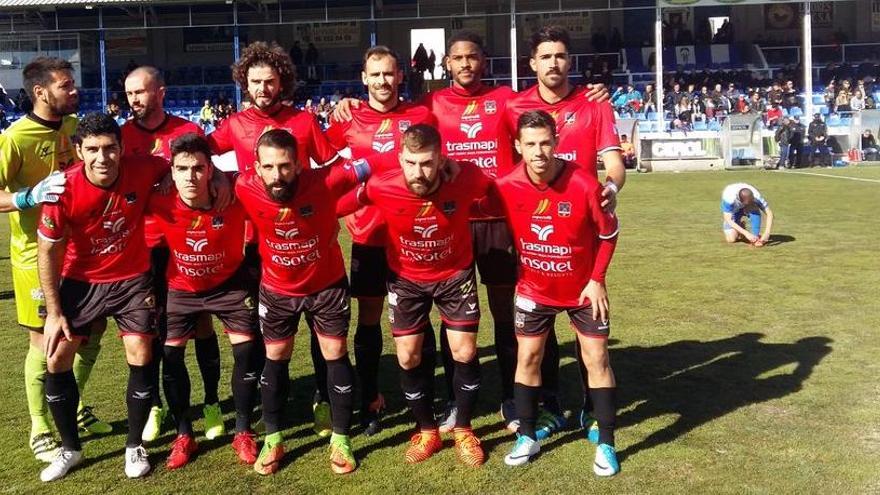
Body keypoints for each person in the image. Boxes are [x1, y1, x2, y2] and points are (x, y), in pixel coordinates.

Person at [331, 29, 610, 434]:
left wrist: (588, 94)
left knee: (508, 314)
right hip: (449, 222)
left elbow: (544, 107)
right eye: (457, 58)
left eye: (472, 57)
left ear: (483, 61)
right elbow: (385, 121)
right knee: (443, 318)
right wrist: (348, 104)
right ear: (446, 64)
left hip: (497, 221)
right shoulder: (430, 105)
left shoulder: (505, 101)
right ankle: (445, 402)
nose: (465, 64)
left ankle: (514, 399)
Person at [480, 110, 620, 475]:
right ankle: (527, 435)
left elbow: (608, 234)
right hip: (533, 287)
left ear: (557, 143)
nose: (539, 151)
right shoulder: (505, 184)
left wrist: (597, 279)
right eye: (530, 144)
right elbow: (470, 204)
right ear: (518, 146)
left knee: (597, 358)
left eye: (545, 142)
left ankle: (606, 443)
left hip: (582, 288)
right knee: (527, 357)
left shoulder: (585, 184)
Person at [504, 25, 625, 441]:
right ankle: (550, 404)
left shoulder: (594, 104)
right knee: (537, 330)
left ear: (569, 61)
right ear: (532, 63)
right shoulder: (514, 106)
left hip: (580, 231)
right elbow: (508, 167)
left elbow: (614, 165)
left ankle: (592, 411)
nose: (554, 63)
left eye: (560, 55)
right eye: (546, 56)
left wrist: (608, 189)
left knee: (586, 330)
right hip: (535, 235)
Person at [36, 113, 171, 481]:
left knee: (141, 350)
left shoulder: (144, 168)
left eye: (110, 148)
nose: (102, 157)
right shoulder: (62, 189)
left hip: (132, 278)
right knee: (57, 357)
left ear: (122, 148)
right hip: (81, 281)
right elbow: (46, 251)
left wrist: (173, 178)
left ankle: (133, 445)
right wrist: (53, 311)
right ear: (79, 151)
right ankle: (70, 449)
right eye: (92, 149)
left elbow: (174, 165)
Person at [234, 129, 373, 475]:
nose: (277, 175)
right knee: (276, 356)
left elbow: (376, 163)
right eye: (269, 167)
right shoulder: (242, 185)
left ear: (298, 165)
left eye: (285, 166)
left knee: (334, 353)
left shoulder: (327, 179)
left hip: (327, 286)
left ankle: (341, 439)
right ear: (257, 167)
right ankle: (274, 438)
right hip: (278, 289)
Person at [351, 124, 489, 467]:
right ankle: (427, 430)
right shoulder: (383, 185)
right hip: (406, 279)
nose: (418, 172)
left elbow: (498, 193)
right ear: (400, 159)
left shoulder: (466, 177)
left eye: (426, 163)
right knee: (409, 356)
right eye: (411, 163)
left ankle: (464, 430)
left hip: (454, 274)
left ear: (441, 159)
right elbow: (332, 200)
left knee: (464, 349)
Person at [0, 56, 110, 464]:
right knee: (45, 340)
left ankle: (73, 404)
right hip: (34, 256)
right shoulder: (15, 137)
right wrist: (28, 196)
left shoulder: (73, 127)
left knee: (92, 331)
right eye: (66, 85)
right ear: (40, 92)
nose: (75, 90)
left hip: (80, 254)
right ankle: (39, 426)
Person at [324, 45, 436, 436]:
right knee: (369, 318)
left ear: (400, 76)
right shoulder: (350, 117)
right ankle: (370, 399)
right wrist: (340, 107)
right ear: (364, 79)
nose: (383, 81)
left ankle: (429, 397)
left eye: (389, 73)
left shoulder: (421, 115)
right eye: (376, 75)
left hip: (415, 233)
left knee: (421, 316)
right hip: (369, 234)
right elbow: (317, 152)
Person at [121, 66, 225, 443]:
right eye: (130, 93)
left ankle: (212, 402)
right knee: (152, 331)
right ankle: (156, 406)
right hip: (142, 248)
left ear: (160, 92)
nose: (134, 99)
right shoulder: (121, 137)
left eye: (141, 92)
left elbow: (215, 174)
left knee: (200, 324)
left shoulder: (188, 132)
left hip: (185, 244)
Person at [148, 133, 261, 469]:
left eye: (198, 168)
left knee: (246, 351)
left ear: (210, 168)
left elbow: (263, 175)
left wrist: (228, 179)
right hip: (181, 289)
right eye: (182, 168)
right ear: (172, 170)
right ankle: (184, 434)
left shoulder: (234, 195)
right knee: (171, 356)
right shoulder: (160, 201)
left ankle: (242, 430)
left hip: (229, 284)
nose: (190, 176)